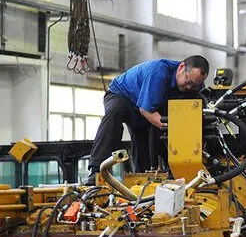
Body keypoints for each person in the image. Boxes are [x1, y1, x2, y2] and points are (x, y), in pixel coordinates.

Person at [83, 55, 209, 185]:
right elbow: (146, 110)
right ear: (181, 67)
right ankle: (97, 171)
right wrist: (173, 129)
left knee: (145, 141)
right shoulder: (159, 72)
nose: (190, 87)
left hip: (151, 106)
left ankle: (146, 179)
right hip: (123, 96)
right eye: (188, 82)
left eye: (195, 85)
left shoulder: (195, 86)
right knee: (114, 114)